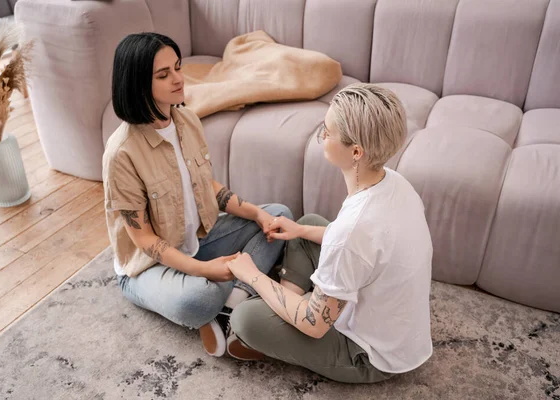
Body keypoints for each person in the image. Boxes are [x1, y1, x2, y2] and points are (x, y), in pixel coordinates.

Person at [225, 83, 433, 383]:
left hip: (371, 356)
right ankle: (288, 302)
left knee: (244, 318)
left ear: (356, 151)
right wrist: (299, 229)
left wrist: (251, 275)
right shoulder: (396, 183)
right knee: (307, 225)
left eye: (327, 131)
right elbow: (361, 246)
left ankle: (280, 306)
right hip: (396, 328)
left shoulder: (353, 230)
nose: (321, 136)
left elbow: (315, 325)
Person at [102, 32, 292, 358]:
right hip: (148, 267)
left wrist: (258, 214)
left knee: (280, 216)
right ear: (137, 84)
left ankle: (232, 302)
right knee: (197, 300)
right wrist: (203, 270)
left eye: (178, 67)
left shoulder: (187, 120)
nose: (179, 78)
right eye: (164, 75)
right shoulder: (122, 153)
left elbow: (207, 186)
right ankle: (219, 301)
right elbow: (145, 241)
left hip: (199, 241)